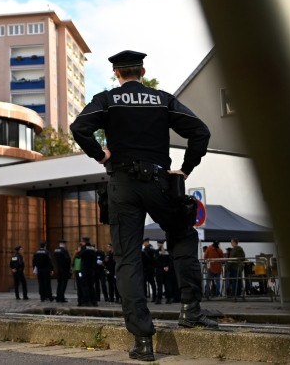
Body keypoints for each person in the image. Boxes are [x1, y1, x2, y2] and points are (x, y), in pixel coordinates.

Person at [71, 49, 218, 362]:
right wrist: (186, 168)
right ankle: (191, 310)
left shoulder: (107, 99)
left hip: (121, 184)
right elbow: (200, 132)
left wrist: (101, 155)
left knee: (127, 257)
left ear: (118, 74)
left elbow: (79, 127)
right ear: (142, 70)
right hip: (159, 181)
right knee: (182, 233)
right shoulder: (163, 99)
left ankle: (142, 340)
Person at [76, 237, 98, 306]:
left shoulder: (84, 248)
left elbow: (78, 256)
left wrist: (79, 250)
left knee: (84, 286)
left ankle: (86, 301)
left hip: (84, 270)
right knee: (91, 286)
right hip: (91, 270)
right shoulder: (92, 248)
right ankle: (94, 301)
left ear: (83, 242)